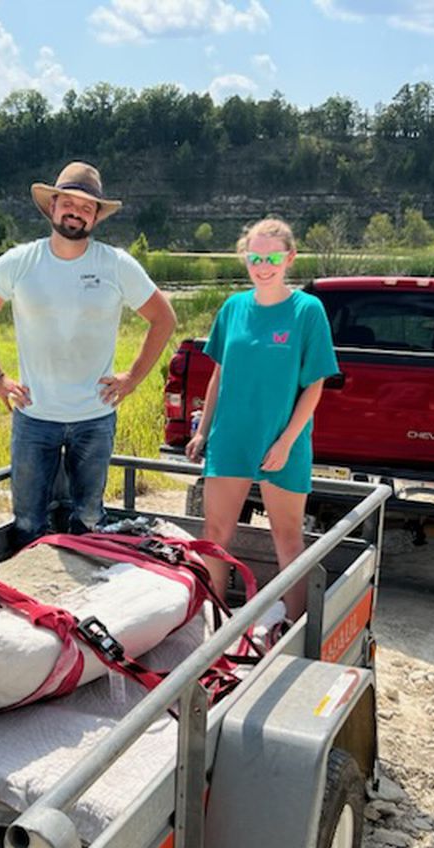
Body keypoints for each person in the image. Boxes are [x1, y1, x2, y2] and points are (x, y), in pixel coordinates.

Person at [0, 161, 176, 545]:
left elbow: (163, 318)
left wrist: (132, 378)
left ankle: (82, 599)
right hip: (34, 416)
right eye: (70, 203)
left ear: (96, 216)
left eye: (87, 206)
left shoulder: (115, 265)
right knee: (27, 522)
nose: (76, 212)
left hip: (94, 416)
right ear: (53, 204)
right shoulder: (20, 262)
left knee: (89, 519)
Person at [185, 218, 339, 621]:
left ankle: (294, 628)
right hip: (231, 437)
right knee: (215, 535)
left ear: (290, 258)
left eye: (272, 256)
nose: (263, 265)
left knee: (287, 540)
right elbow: (220, 373)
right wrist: (202, 431)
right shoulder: (233, 308)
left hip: (283, 440)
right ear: (245, 257)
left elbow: (315, 385)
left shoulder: (307, 311)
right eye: (255, 257)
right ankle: (214, 624)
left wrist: (287, 442)